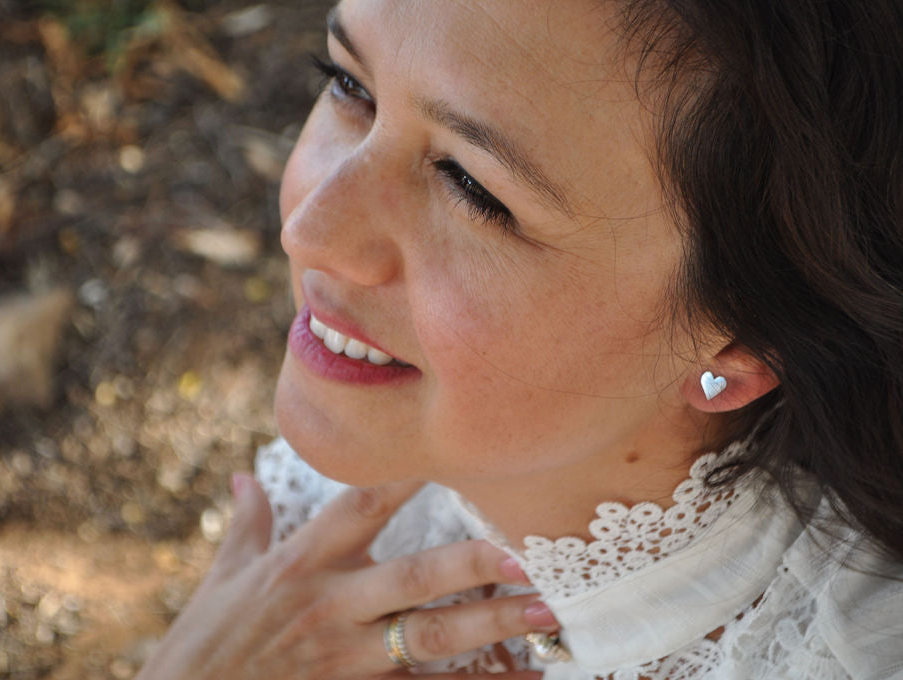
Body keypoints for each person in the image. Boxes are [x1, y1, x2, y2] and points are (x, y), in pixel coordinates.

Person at [135, 1, 903, 678]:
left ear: (740, 350)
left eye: (470, 186)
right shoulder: (351, 510)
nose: (310, 230)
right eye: (350, 87)